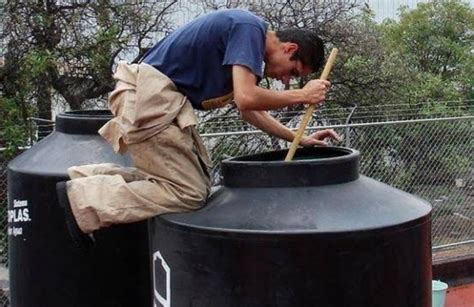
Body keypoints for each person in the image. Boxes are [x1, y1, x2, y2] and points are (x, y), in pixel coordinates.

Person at [56, 9, 341, 247]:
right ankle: (84, 199)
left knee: (195, 185)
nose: (286, 81)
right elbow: (247, 97)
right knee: (188, 193)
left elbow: (248, 109)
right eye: (293, 72)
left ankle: (86, 179)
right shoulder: (249, 29)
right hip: (150, 99)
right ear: (289, 48)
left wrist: (298, 139)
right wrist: (304, 95)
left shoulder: (243, 43)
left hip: (156, 101)